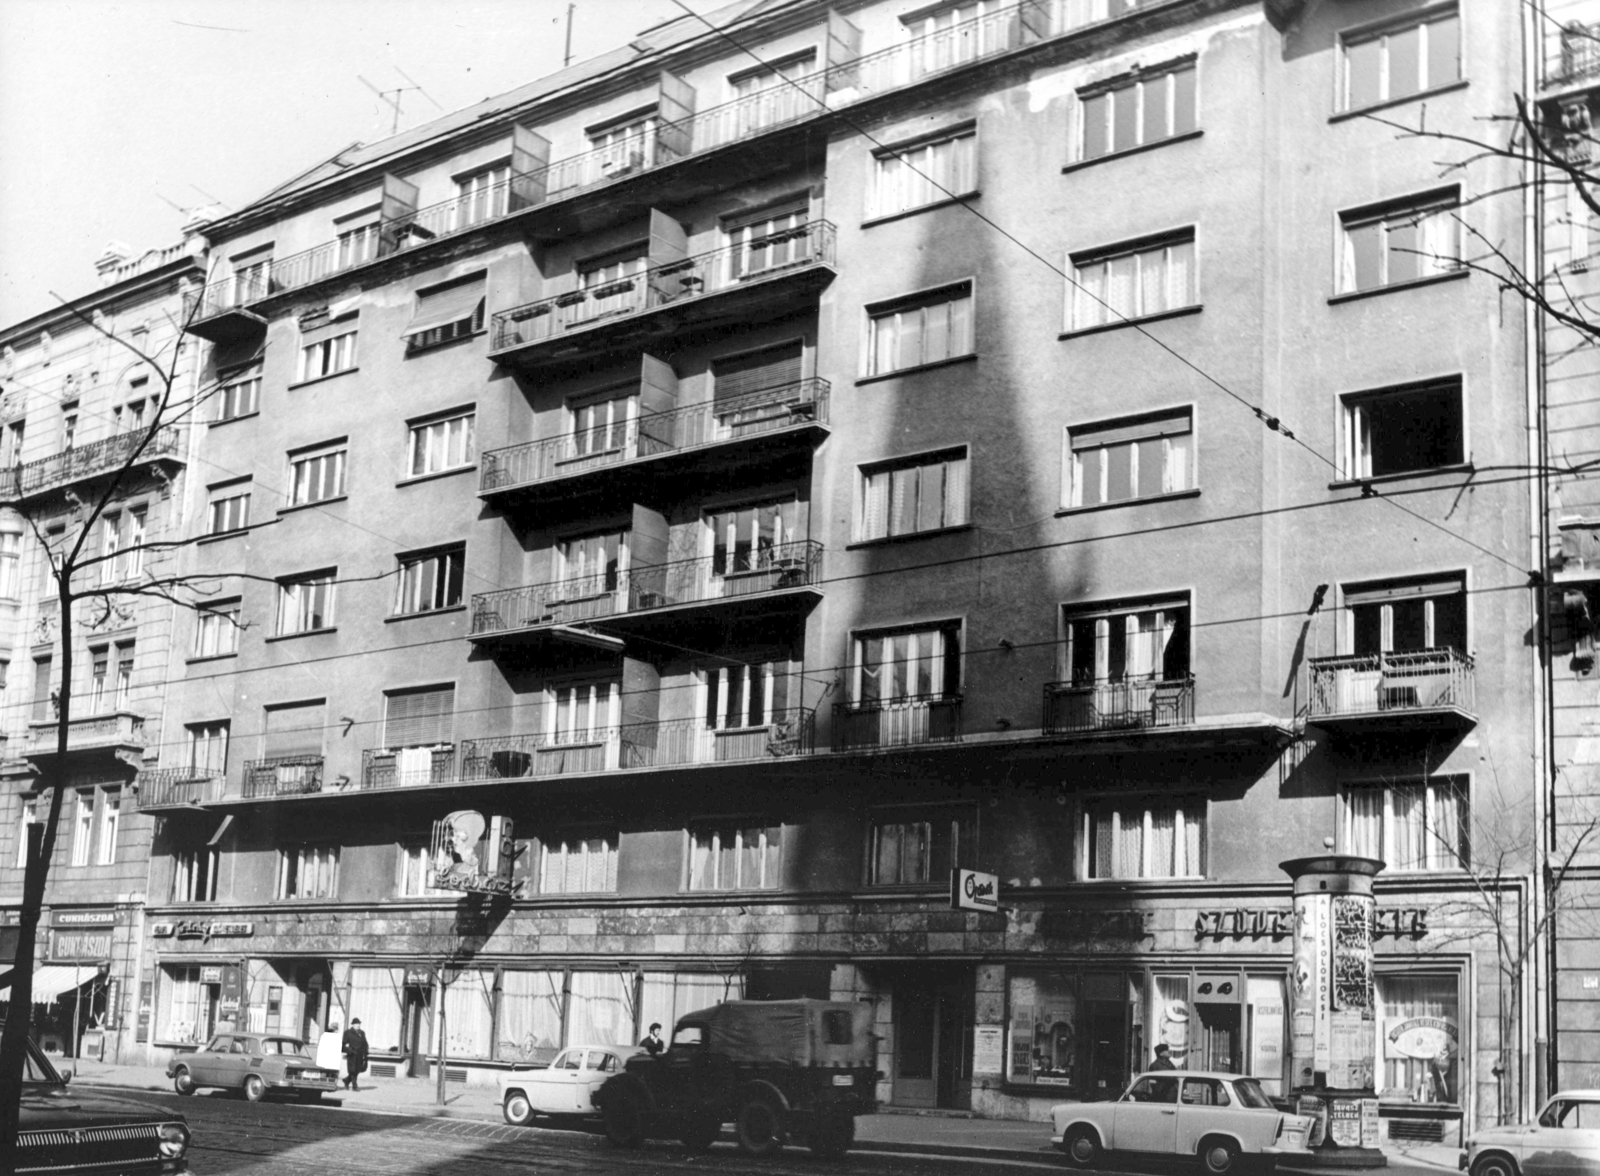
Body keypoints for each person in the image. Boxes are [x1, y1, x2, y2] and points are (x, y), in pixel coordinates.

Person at [342, 1018, 369, 1091]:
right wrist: (349, 1050)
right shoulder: (348, 1032)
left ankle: (346, 1080)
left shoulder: (362, 1033)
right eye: (357, 1024)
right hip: (352, 1054)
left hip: (360, 1055)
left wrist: (366, 1054)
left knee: (357, 1070)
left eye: (359, 1024)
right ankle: (354, 1086)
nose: (358, 1025)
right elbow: (342, 1044)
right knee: (353, 1070)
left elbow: (365, 1044)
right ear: (353, 1025)